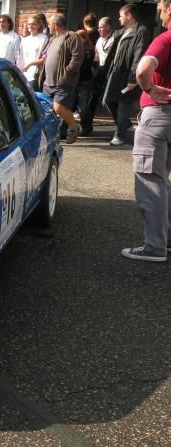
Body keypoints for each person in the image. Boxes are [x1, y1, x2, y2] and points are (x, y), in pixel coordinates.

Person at [121, 0, 171, 262]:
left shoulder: (165, 39)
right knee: (163, 181)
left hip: (160, 117)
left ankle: (154, 247)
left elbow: (143, 71)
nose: (160, 14)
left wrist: (150, 89)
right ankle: (166, 239)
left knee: (150, 182)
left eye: (161, 8)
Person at [103, 4, 149, 146]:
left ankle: (120, 135)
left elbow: (139, 55)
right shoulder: (121, 32)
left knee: (123, 105)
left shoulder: (140, 31)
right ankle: (125, 124)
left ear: (129, 15)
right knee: (107, 101)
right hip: (115, 73)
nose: (119, 18)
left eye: (121, 15)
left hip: (127, 74)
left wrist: (133, 78)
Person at [39, 14, 84, 144]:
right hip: (48, 82)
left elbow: (78, 57)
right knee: (47, 110)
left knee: (58, 107)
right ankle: (51, 135)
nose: (48, 27)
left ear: (56, 25)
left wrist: (68, 73)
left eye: (50, 24)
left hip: (63, 81)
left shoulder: (72, 36)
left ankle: (73, 128)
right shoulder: (52, 38)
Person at [85, 16, 115, 135]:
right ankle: (88, 126)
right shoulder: (99, 40)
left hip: (110, 71)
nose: (99, 30)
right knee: (93, 98)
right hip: (99, 71)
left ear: (108, 27)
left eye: (101, 27)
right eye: (98, 27)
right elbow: (97, 55)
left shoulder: (114, 40)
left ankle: (123, 122)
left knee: (108, 100)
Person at [75, 30, 96, 135]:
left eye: (80, 38)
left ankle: (87, 126)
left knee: (83, 106)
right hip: (74, 81)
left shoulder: (89, 51)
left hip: (84, 81)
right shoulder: (74, 49)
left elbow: (85, 67)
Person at [20, 15, 48, 91]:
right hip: (24, 74)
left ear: (38, 25)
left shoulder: (43, 38)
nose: (31, 26)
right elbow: (21, 58)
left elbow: (44, 58)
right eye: (29, 24)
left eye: (33, 24)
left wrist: (30, 65)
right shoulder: (24, 40)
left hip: (36, 75)